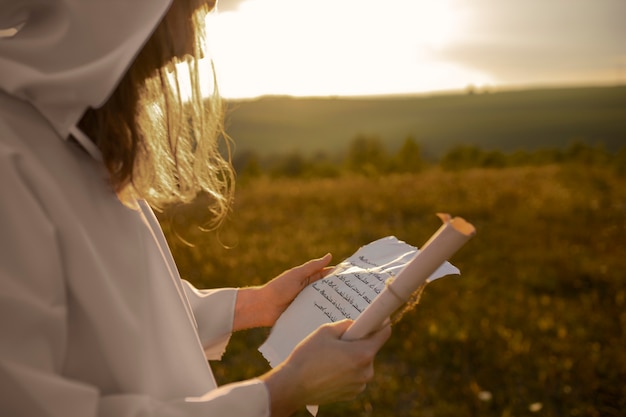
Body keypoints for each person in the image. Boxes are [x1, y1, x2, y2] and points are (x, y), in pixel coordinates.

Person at [0, 0, 391, 416]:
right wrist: (281, 391)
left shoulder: (74, 135)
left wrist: (256, 303)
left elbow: (122, 304)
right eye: (187, 10)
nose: (193, 49)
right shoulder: (10, 159)